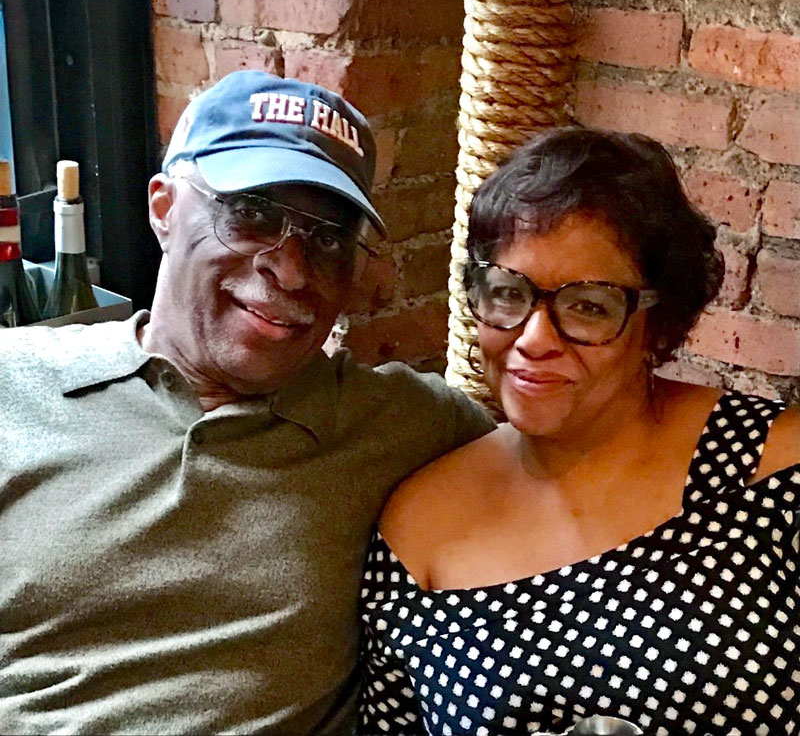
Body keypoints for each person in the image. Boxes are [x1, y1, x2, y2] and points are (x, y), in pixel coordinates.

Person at [0, 71, 495, 735]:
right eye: (253, 213)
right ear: (163, 207)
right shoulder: (16, 386)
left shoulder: (401, 423)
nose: (290, 270)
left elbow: (572, 467)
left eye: (327, 239)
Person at [359, 127, 800, 736]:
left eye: (589, 306)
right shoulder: (416, 532)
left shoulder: (771, 466)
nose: (534, 339)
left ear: (659, 323)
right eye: (508, 293)